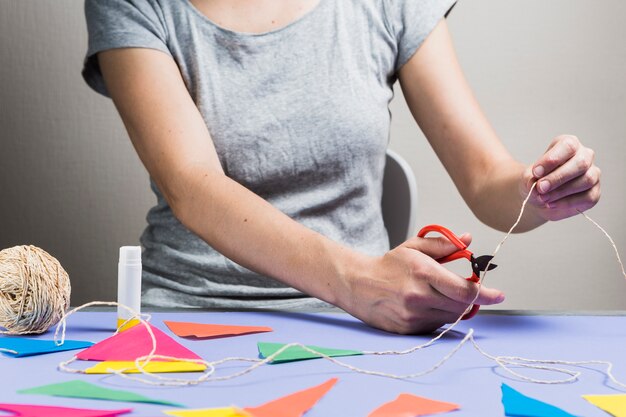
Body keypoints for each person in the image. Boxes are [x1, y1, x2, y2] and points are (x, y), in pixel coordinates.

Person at [82, 0, 600, 334]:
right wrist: (358, 282)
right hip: (185, 318)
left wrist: (542, 191)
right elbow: (192, 185)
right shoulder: (135, 5)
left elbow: (488, 179)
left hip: (361, 325)